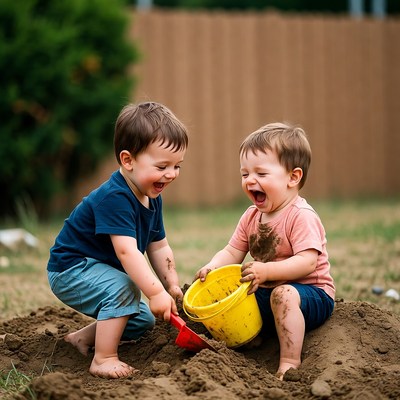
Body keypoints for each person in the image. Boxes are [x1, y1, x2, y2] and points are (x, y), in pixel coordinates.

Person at [47, 101, 188, 379]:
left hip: (97, 270)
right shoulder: (115, 197)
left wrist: (170, 283)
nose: (171, 174)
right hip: (71, 269)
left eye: (177, 166)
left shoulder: (151, 197)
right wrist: (155, 293)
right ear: (128, 160)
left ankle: (82, 339)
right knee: (124, 286)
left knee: (142, 321)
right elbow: (127, 253)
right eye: (162, 165)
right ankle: (104, 358)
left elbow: (158, 245)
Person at [194, 122, 335, 380]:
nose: (250, 180)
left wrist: (266, 270)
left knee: (283, 294)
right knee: (234, 293)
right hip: (269, 293)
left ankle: (290, 361)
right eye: (245, 174)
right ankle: (251, 340)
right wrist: (211, 268)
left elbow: (307, 263)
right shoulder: (251, 217)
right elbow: (232, 251)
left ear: (293, 177)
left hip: (310, 296)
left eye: (261, 173)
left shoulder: (300, 216)